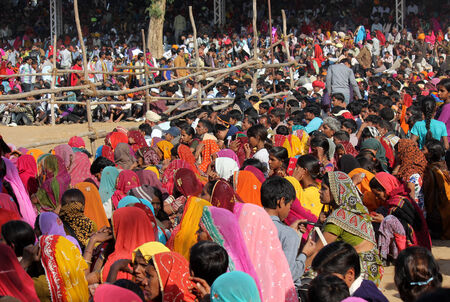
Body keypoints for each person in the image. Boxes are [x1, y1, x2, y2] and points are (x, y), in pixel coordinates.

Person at [312, 171, 384, 286]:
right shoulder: (360, 210)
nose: (320, 191)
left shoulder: (338, 217)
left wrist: (298, 272)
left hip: (358, 273)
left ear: (336, 192)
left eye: (324, 188)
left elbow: (317, 251)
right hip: (374, 271)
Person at [261, 176, 315, 288]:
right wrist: (304, 254)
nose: (289, 210)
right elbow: (289, 274)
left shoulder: (251, 223)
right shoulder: (289, 235)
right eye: (290, 205)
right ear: (281, 202)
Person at [312, 241, 389, 302]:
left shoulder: (364, 297)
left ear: (350, 274)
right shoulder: (365, 285)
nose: (320, 282)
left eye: (328, 278)